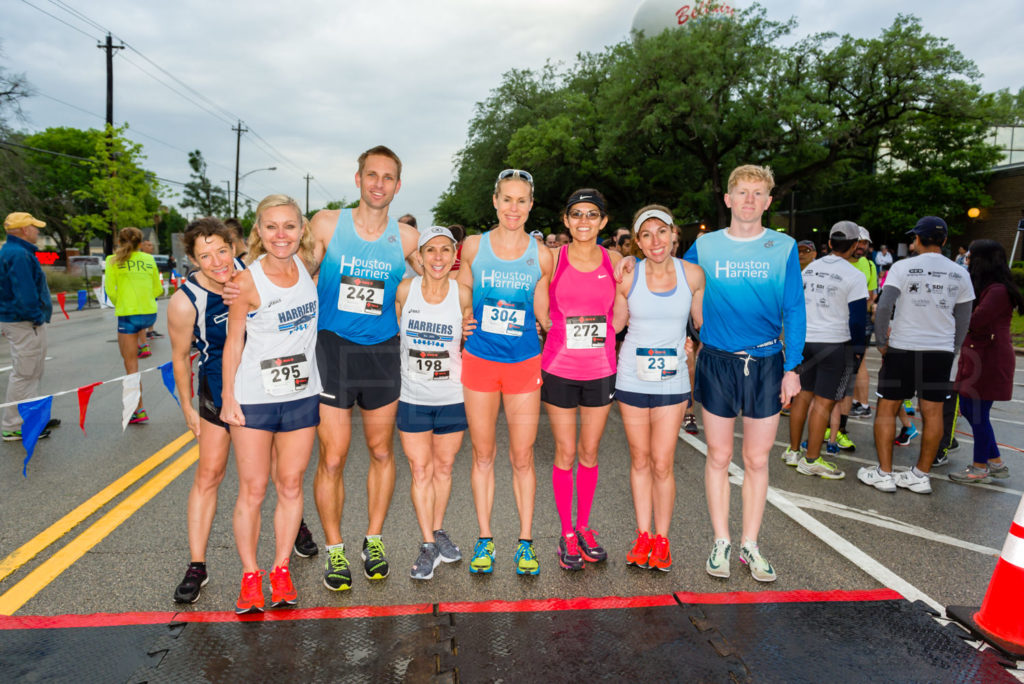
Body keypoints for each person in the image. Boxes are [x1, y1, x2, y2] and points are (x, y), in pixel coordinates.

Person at [686, 164, 804, 583]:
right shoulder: (704, 246)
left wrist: (793, 368)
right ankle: (721, 541)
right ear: (728, 199)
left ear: (769, 202)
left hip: (767, 361)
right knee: (718, 455)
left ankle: (750, 544)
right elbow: (674, 285)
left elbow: (794, 308)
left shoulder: (784, 247)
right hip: (717, 361)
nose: (750, 199)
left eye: (758, 193)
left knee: (756, 459)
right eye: (742, 192)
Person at [310, 145, 420, 591]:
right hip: (332, 348)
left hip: (380, 351)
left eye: (388, 177)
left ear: (398, 185)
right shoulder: (327, 223)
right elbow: (294, 269)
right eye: (371, 175)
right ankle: (335, 549)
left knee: (380, 452)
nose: (379, 184)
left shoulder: (407, 238)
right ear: (358, 179)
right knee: (333, 456)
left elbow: (440, 278)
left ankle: (373, 538)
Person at [220, 194, 321, 614]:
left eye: (290, 226)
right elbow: (233, 342)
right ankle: (250, 576)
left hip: (301, 394)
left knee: (292, 484)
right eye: (272, 226)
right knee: (254, 489)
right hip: (255, 398)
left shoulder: (307, 267)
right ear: (258, 232)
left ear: (302, 231)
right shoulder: (246, 282)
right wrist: (228, 397)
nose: (282, 235)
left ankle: (281, 568)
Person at [457, 168, 554, 575]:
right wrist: (463, 313)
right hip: (479, 360)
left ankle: (525, 542)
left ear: (531, 205)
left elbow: (545, 310)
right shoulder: (475, 247)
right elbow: (463, 286)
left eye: (522, 200)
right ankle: (485, 539)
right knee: (483, 455)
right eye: (507, 199)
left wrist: (548, 326)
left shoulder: (542, 254)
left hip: (523, 363)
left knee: (522, 456)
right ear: (495, 202)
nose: (514, 208)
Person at [539, 189, 623, 571]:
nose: (584, 221)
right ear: (566, 220)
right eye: (577, 214)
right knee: (566, 453)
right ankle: (566, 533)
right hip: (559, 368)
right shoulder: (553, 260)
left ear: (603, 221)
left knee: (589, 453)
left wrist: (609, 331)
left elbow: (621, 309)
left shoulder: (616, 260)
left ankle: (585, 526)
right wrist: (550, 328)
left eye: (592, 215)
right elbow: (540, 304)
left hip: (601, 370)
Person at [616, 206, 704, 572]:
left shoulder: (693, 275)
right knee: (639, 460)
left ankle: (662, 539)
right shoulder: (628, 275)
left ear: (674, 234)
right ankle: (642, 535)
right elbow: (615, 323)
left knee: (663, 462)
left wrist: (692, 345)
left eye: (662, 232)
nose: (656, 241)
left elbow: (703, 324)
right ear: (637, 242)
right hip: (632, 377)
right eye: (647, 235)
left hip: (672, 378)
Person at [859, 216, 974, 494]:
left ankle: (884, 473)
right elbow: (964, 319)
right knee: (932, 413)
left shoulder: (902, 267)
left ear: (918, 240)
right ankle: (921, 475)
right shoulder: (960, 273)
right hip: (940, 350)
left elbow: (884, 306)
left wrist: (881, 342)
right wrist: (952, 348)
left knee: (887, 409)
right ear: (944, 241)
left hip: (903, 347)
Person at [168, 218, 245, 603]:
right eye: (204, 255)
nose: (217, 261)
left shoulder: (253, 274)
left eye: (221, 250)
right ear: (192, 259)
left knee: (282, 471)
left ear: (233, 246)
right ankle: (197, 565)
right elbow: (180, 359)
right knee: (210, 473)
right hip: (217, 391)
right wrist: (187, 408)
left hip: (265, 388)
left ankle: (296, 525)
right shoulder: (186, 300)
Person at [395, 226, 474, 579]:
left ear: (454, 254)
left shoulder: (462, 293)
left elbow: (469, 335)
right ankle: (427, 543)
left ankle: (437, 530)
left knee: (443, 469)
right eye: (431, 250)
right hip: (413, 396)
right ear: (420, 256)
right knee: (420, 470)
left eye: (445, 250)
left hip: (453, 396)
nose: (438, 257)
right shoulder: (405, 290)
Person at [781, 221, 867, 480]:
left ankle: (794, 451)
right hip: (834, 343)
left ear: (829, 243)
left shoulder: (807, 270)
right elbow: (858, 320)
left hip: (804, 341)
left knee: (802, 397)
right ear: (854, 246)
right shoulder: (855, 275)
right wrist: (858, 350)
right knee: (824, 401)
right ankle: (812, 458)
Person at [949, 239, 1022, 483]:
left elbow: (975, 320)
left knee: (977, 412)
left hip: (990, 358)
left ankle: (980, 467)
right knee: (971, 409)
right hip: (979, 354)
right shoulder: (988, 287)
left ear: (983, 261)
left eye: (970, 258)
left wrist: (951, 311)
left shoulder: (998, 290)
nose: (966, 262)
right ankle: (996, 462)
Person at [0, 212, 57, 441]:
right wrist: (36, 317)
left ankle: (31, 419)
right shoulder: (19, 254)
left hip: (22, 320)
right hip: (23, 321)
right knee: (25, 373)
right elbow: (25, 293)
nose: (38, 231)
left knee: (31, 372)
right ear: (24, 230)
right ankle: (13, 425)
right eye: (35, 228)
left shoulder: (14, 251)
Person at [105, 227, 162, 425]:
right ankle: (143, 343)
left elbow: (109, 291)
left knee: (131, 366)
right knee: (134, 355)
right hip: (149, 314)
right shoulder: (149, 259)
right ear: (140, 242)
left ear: (119, 241)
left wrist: (122, 301)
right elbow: (158, 289)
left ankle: (138, 409)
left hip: (128, 314)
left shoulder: (113, 260)